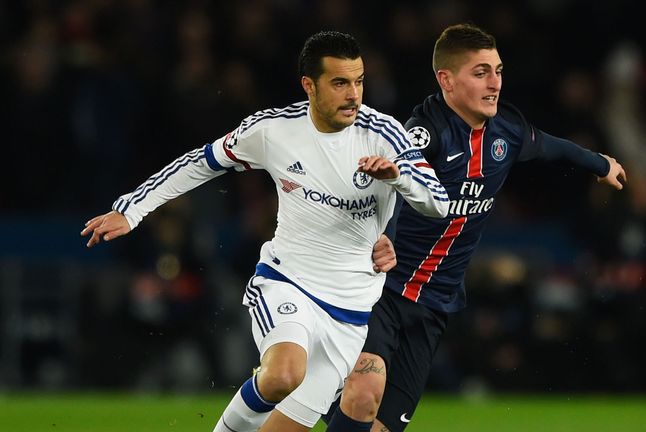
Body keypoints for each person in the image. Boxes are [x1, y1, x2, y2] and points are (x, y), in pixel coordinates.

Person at [81, 30, 448, 432]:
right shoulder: (274, 130)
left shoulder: (384, 134)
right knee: (282, 374)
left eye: (359, 81)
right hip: (288, 282)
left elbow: (438, 202)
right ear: (309, 85)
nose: (353, 95)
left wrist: (399, 178)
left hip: (350, 313)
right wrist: (131, 210)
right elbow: (202, 161)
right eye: (340, 82)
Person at [325, 23, 626, 432]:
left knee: (382, 426)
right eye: (481, 72)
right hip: (383, 293)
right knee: (363, 393)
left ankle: (306, 396)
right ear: (446, 80)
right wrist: (385, 239)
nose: (495, 83)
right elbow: (398, 182)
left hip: (435, 304)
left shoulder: (508, 130)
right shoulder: (425, 131)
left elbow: (553, 146)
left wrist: (600, 164)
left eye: (498, 71)